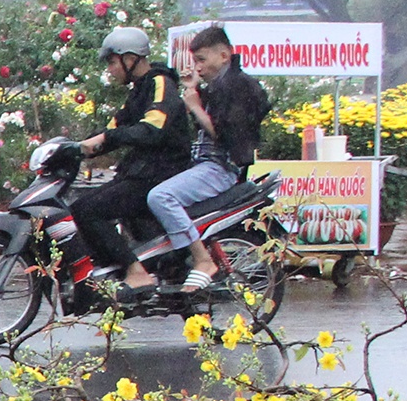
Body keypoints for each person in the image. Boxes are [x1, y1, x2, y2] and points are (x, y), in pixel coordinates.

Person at [70, 26, 194, 303]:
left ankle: (135, 272)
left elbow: (152, 129)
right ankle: (121, 273)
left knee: (87, 210)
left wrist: (106, 137)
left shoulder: (161, 83)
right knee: (86, 205)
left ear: (130, 58)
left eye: (113, 62)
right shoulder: (139, 90)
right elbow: (115, 128)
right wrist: (75, 149)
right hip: (141, 173)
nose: (111, 70)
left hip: (160, 174)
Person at [149, 24, 269, 289]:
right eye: (195, 61)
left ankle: (201, 258)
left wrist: (194, 106)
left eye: (202, 60)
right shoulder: (222, 85)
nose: (198, 67)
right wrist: (196, 91)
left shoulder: (238, 86)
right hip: (205, 165)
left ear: (224, 55)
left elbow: (226, 135)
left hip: (219, 169)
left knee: (160, 196)